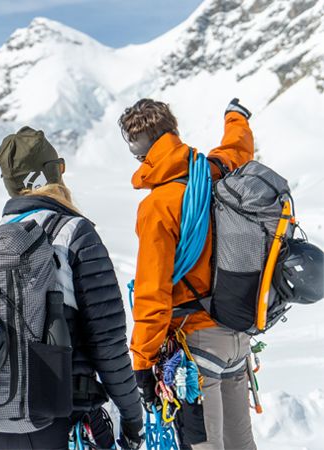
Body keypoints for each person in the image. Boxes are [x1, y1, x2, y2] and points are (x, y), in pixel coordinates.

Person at [0, 126, 144, 450]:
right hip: (64, 422)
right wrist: (132, 418)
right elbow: (108, 345)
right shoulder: (74, 234)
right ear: (50, 175)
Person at [118, 99, 257, 450]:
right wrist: (235, 116)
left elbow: (153, 291)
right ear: (173, 132)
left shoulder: (158, 206)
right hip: (236, 336)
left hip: (195, 346)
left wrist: (143, 362)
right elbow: (238, 148)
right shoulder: (214, 171)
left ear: (141, 154)